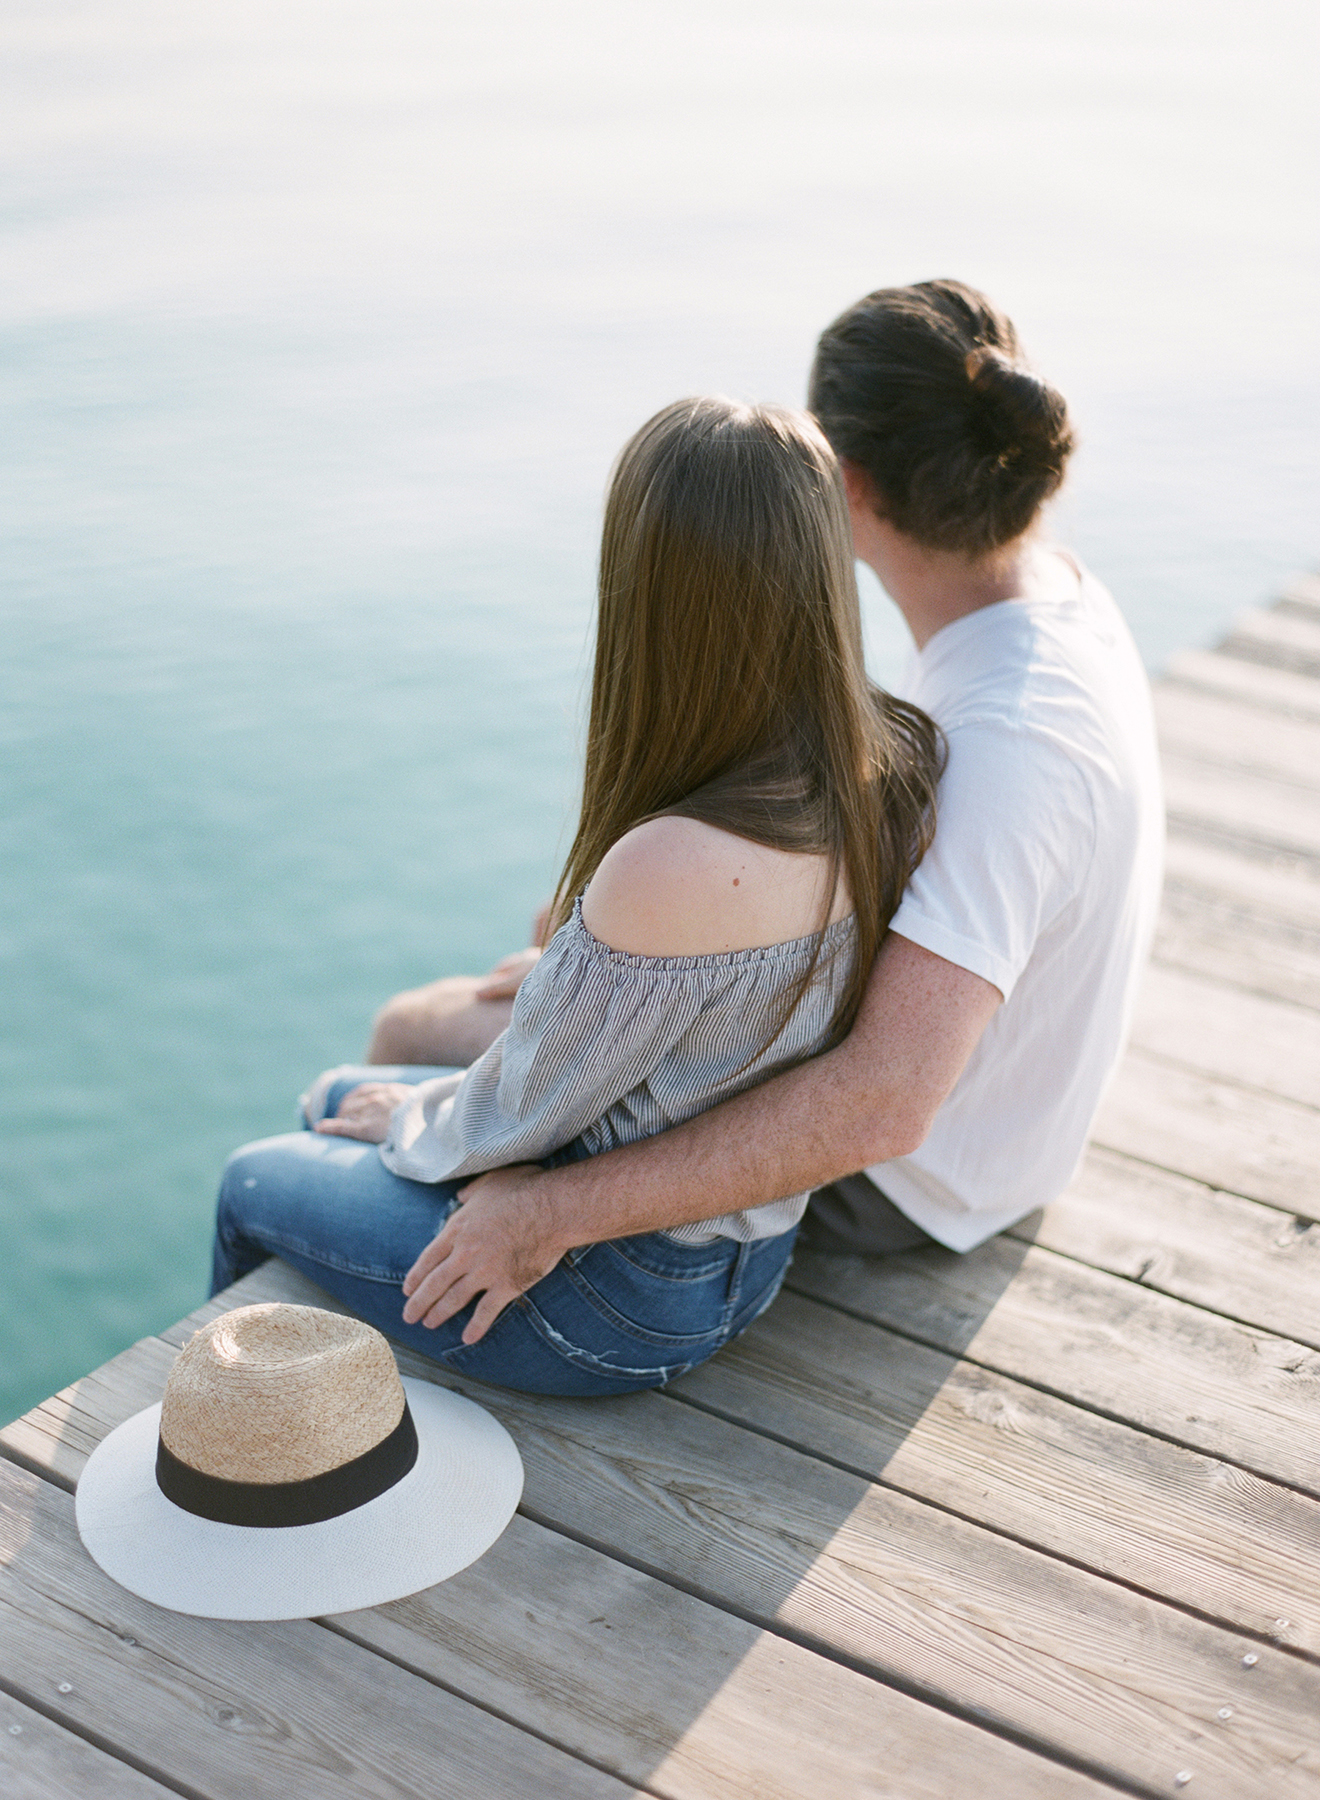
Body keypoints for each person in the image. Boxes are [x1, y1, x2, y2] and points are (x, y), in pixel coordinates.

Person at [353, 278, 1163, 1324]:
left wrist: (550, 1211)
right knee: (551, 957)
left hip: (913, 1190)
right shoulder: (1057, 602)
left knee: (411, 1028)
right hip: (999, 1128)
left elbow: (884, 1103)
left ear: (847, 482)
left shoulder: (1010, 744)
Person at [212, 397, 944, 1395]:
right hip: (747, 1257)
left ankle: (269, 1449)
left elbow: (520, 1116)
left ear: (648, 586)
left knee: (262, 1171)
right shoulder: (892, 764)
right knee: (353, 1104)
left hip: (617, 1299)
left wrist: (412, 1119)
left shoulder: (674, 861)